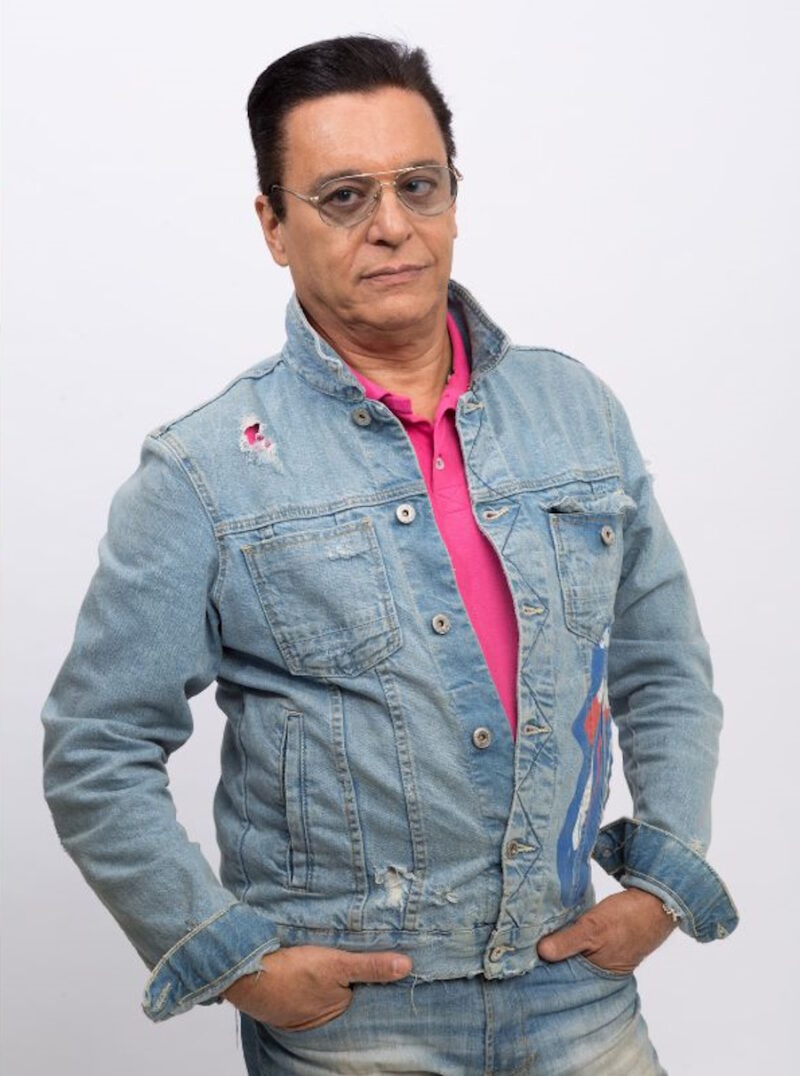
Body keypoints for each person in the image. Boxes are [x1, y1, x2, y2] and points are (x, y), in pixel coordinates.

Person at [41, 34, 739, 1075]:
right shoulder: (203, 471)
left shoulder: (574, 412)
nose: (392, 225)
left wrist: (661, 882)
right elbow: (96, 746)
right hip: (357, 1022)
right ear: (273, 225)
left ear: (453, 195)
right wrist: (238, 961)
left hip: (578, 985)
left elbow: (664, 665)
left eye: (419, 184)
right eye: (343, 197)